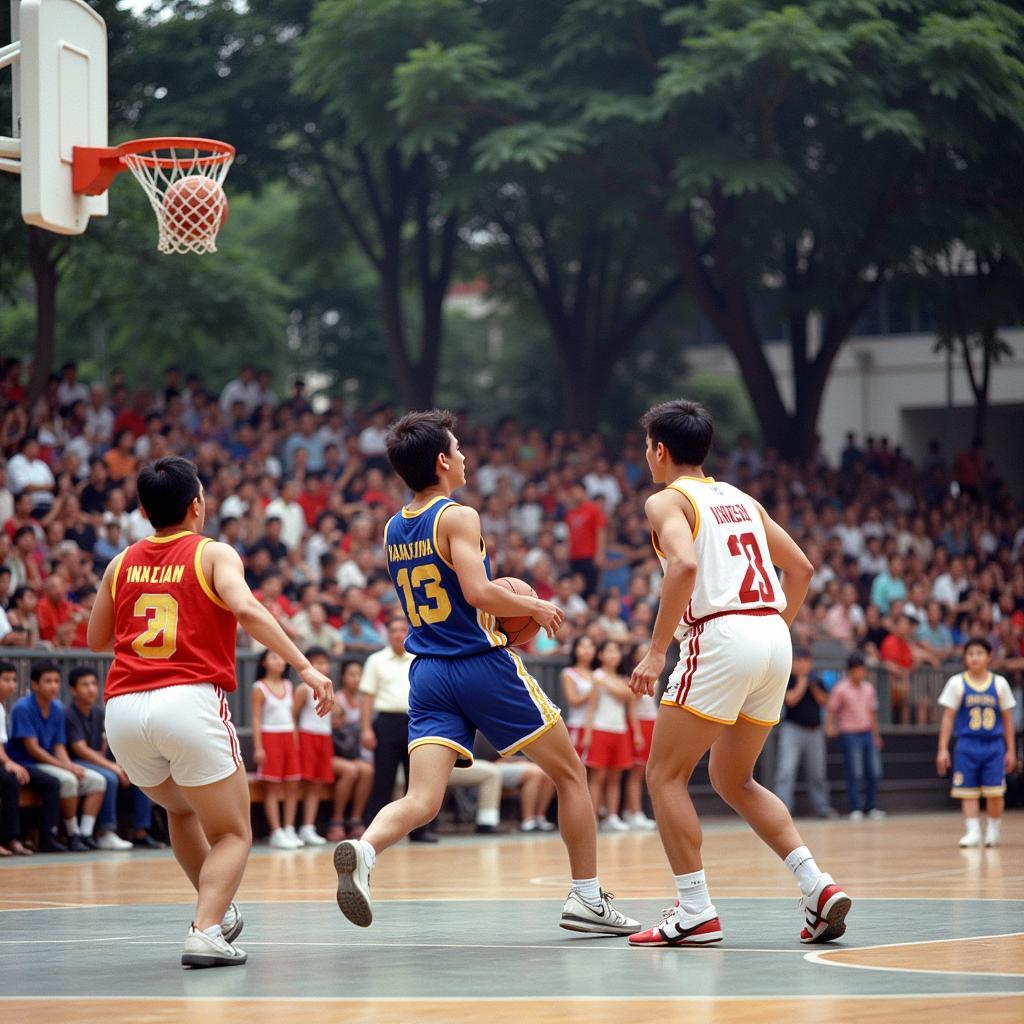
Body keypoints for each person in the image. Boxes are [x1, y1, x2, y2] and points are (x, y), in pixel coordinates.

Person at [333, 409, 638, 936]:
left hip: (426, 670)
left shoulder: (392, 526)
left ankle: (364, 849)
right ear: (442, 460)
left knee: (422, 800)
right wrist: (536, 606)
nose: (466, 457)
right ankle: (587, 899)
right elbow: (475, 592)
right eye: (459, 448)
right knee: (571, 774)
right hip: (479, 663)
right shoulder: (458, 516)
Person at [86, 456, 333, 968]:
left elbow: (96, 639)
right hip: (188, 699)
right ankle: (204, 929)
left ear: (143, 509)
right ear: (196, 505)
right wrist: (304, 666)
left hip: (124, 709)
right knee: (234, 832)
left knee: (180, 808)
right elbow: (245, 609)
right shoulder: (214, 553)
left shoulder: (121, 561)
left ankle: (212, 911)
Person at [627, 399, 849, 948]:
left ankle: (695, 910)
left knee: (664, 776)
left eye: (646, 447)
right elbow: (801, 569)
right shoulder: (742, 499)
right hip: (773, 635)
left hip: (722, 635)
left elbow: (682, 566)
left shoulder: (666, 501)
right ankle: (815, 886)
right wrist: (770, 632)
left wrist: (657, 652)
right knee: (734, 779)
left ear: (659, 450)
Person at [6, 660, 107, 851]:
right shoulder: (23, 707)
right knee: (67, 780)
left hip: (49, 762)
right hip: (27, 762)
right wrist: (67, 767)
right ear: (35, 685)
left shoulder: (58, 707)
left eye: (56, 681)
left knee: (97, 781)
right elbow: (33, 749)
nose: (53, 686)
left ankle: (85, 834)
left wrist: (70, 765)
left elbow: (59, 746)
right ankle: (72, 834)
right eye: (48, 681)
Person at [358, 618, 436, 844]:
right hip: (386, 723)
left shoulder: (419, 657)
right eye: (393, 630)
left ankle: (420, 831)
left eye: (402, 630)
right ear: (387, 634)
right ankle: (372, 834)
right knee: (384, 779)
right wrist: (365, 729)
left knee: (420, 780)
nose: (398, 634)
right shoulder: (376, 660)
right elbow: (367, 697)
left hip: (417, 722)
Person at [65, 666, 160, 850]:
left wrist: (121, 764)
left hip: (97, 763)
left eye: (94, 683)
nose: (91, 689)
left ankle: (140, 831)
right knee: (109, 777)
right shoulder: (69, 714)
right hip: (75, 762)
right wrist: (112, 767)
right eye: (85, 685)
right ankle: (104, 832)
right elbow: (80, 749)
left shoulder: (99, 712)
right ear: (73, 690)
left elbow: (107, 745)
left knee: (139, 775)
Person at [936, 638, 1017, 848]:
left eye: (979, 653)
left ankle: (993, 828)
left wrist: (1011, 750)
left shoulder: (999, 684)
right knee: (967, 790)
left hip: (993, 745)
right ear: (965, 658)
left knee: (995, 791)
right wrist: (943, 748)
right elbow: (947, 717)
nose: (974, 657)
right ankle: (972, 831)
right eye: (970, 654)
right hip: (967, 744)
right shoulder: (957, 682)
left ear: (989, 657)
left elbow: (1008, 720)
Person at [0, 659, 56, 855]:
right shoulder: (21, 708)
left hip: (8, 761)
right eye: (6, 679)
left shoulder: (2, 707)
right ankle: (11, 838)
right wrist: (9, 763)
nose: (11, 685)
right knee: (9, 780)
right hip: (11, 760)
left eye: (14, 680)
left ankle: (37, 837)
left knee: (48, 782)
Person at [582, 639, 638, 832]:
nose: (613, 655)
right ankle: (592, 817)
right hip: (600, 728)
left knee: (615, 778)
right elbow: (590, 708)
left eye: (616, 651)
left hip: (620, 730)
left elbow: (627, 698)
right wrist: (588, 733)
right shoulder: (596, 676)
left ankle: (612, 816)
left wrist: (607, 683)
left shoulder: (618, 679)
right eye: (609, 651)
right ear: (600, 655)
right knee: (597, 777)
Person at [772, 648, 834, 819]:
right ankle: (782, 810)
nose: (803, 664)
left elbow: (824, 701)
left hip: (815, 732)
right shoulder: (789, 680)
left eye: (806, 660)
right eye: (799, 660)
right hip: (792, 730)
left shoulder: (817, 680)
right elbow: (791, 700)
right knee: (785, 771)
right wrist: (802, 682)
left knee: (818, 774)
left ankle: (822, 807)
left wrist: (811, 684)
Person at [251, 649, 303, 850]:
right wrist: (258, 747)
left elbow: (292, 716)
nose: (279, 661)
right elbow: (255, 718)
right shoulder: (259, 687)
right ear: (264, 662)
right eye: (273, 657)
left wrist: (295, 739)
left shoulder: (289, 685)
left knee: (292, 785)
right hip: (269, 737)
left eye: (281, 656)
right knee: (272, 787)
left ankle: (289, 828)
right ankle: (276, 831)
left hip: (288, 737)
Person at [825, 651, 884, 821]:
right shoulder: (840, 689)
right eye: (857, 669)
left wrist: (876, 735)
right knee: (855, 772)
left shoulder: (869, 688)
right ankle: (855, 808)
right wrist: (830, 727)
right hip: (849, 734)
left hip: (867, 733)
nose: (861, 672)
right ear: (850, 670)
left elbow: (872, 713)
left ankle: (871, 806)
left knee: (874, 772)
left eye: (862, 669)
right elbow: (832, 710)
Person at [326, 660, 374, 842]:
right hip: (333, 753)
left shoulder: (364, 701)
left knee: (367, 770)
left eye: (359, 675)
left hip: (352, 753)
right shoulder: (336, 699)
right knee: (351, 770)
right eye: (352, 674)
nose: (356, 679)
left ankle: (355, 819)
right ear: (343, 677)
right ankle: (336, 820)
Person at [293, 646, 333, 847]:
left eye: (324, 662)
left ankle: (308, 826)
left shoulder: (330, 688)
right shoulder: (303, 689)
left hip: (324, 737)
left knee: (317, 783)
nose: (321, 666)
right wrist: (295, 739)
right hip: (306, 735)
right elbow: (292, 714)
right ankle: (293, 826)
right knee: (304, 782)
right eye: (316, 662)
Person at [560, 635, 596, 756]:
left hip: (598, 725)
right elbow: (573, 700)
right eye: (582, 646)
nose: (587, 650)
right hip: (578, 724)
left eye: (590, 646)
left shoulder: (597, 673)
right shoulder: (569, 673)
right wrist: (593, 691)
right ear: (575, 649)